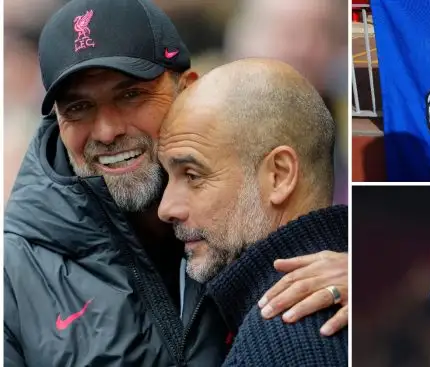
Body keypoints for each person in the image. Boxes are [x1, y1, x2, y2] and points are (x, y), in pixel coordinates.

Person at [4, 1, 347, 366]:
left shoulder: (249, 202)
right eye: (77, 108)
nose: (106, 131)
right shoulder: (13, 276)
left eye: (131, 95)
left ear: (187, 87)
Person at [157, 58, 347, 366]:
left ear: (279, 176)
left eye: (192, 175)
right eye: (168, 177)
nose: (166, 209)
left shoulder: (282, 342)